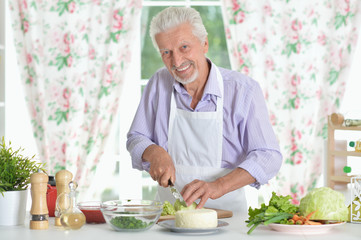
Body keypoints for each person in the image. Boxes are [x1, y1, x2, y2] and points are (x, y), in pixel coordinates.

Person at [126, 7, 282, 213]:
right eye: (166, 52)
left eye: (184, 47)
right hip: (168, 216)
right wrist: (154, 151)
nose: (177, 61)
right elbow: (136, 137)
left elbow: (269, 156)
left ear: (204, 43)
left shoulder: (243, 90)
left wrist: (219, 185)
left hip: (228, 218)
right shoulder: (158, 83)